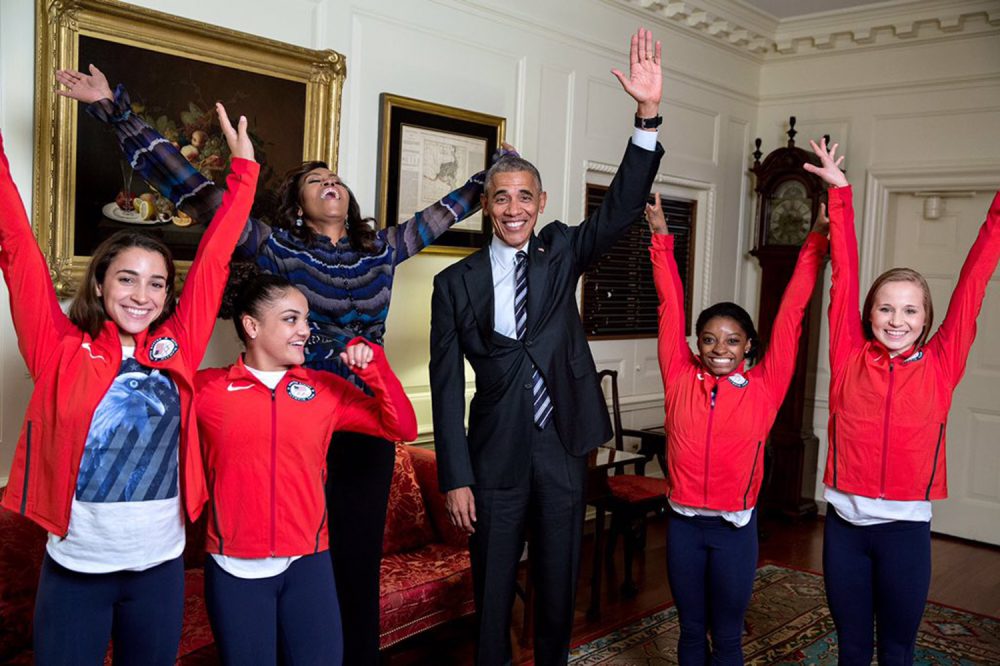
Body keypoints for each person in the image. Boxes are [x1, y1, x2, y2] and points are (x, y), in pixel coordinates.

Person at [55, 67, 512, 664]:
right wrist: (115, 110)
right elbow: (196, 191)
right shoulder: (277, 247)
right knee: (293, 574)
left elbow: (449, 208)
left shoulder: (383, 250)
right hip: (299, 425)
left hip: (364, 428)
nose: (331, 184)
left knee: (354, 570)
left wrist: (494, 174)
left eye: (337, 179)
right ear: (297, 202)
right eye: (316, 180)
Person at [429, 28, 664, 666]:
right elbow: (446, 385)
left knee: (560, 583)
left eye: (524, 197)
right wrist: (456, 477)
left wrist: (645, 118)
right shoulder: (454, 284)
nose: (513, 208)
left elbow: (618, 211)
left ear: (541, 203)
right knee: (493, 591)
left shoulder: (561, 251)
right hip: (494, 455)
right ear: (485, 206)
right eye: (500, 197)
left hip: (564, 444)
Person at [0, 106, 256, 664]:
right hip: (76, 569)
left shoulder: (177, 346)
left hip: (159, 568)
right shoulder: (58, 346)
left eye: (157, 284)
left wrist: (244, 172)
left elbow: (214, 261)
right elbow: (17, 246)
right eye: (127, 279)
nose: (143, 295)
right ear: (100, 281)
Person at [804, 138, 1000, 665]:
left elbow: (974, 281)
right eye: (886, 308)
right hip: (844, 528)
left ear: (927, 319)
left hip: (906, 532)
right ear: (869, 314)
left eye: (910, 311)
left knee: (896, 650)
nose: (896, 320)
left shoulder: (941, 364)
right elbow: (842, 276)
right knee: (850, 648)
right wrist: (840, 194)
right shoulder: (848, 355)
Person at [194, 274, 417, 665]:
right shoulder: (208, 390)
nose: (305, 330)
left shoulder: (323, 391)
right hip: (235, 568)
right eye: (291, 319)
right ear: (251, 325)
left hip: (308, 564)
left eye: (306, 319)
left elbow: (402, 428)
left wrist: (374, 367)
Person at [647, 191, 828, 664]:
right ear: (698, 344)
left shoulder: (764, 386)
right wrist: (661, 237)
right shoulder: (680, 375)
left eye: (731, 340)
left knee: (726, 636)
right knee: (689, 631)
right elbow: (670, 308)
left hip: (734, 530)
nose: (719, 348)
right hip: (684, 524)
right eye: (708, 339)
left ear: (749, 344)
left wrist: (815, 243)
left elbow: (791, 315)